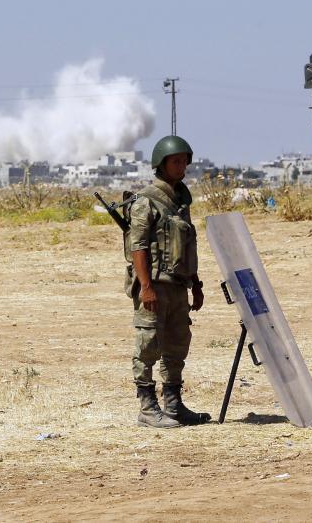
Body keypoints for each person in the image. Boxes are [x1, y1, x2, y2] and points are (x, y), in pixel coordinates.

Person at [123, 135, 211, 428]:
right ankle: (148, 408)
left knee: (177, 345)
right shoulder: (146, 201)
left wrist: (196, 284)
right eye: (176, 161)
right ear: (161, 164)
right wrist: (145, 286)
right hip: (155, 286)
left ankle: (173, 405)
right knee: (148, 344)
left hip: (177, 285)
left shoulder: (180, 201)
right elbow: (138, 247)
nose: (182, 166)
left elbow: (187, 245)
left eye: (185, 161)